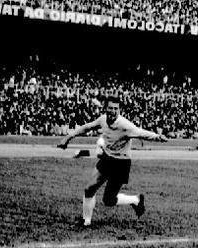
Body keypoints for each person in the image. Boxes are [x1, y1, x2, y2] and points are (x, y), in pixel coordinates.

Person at [57, 95, 169, 227]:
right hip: (107, 159)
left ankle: (136, 199)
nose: (113, 111)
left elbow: (141, 133)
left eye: (116, 109)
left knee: (109, 200)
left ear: (119, 110)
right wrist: (68, 137)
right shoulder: (102, 120)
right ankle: (85, 221)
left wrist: (158, 137)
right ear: (105, 108)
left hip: (121, 163)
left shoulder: (125, 125)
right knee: (89, 189)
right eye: (110, 108)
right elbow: (87, 127)